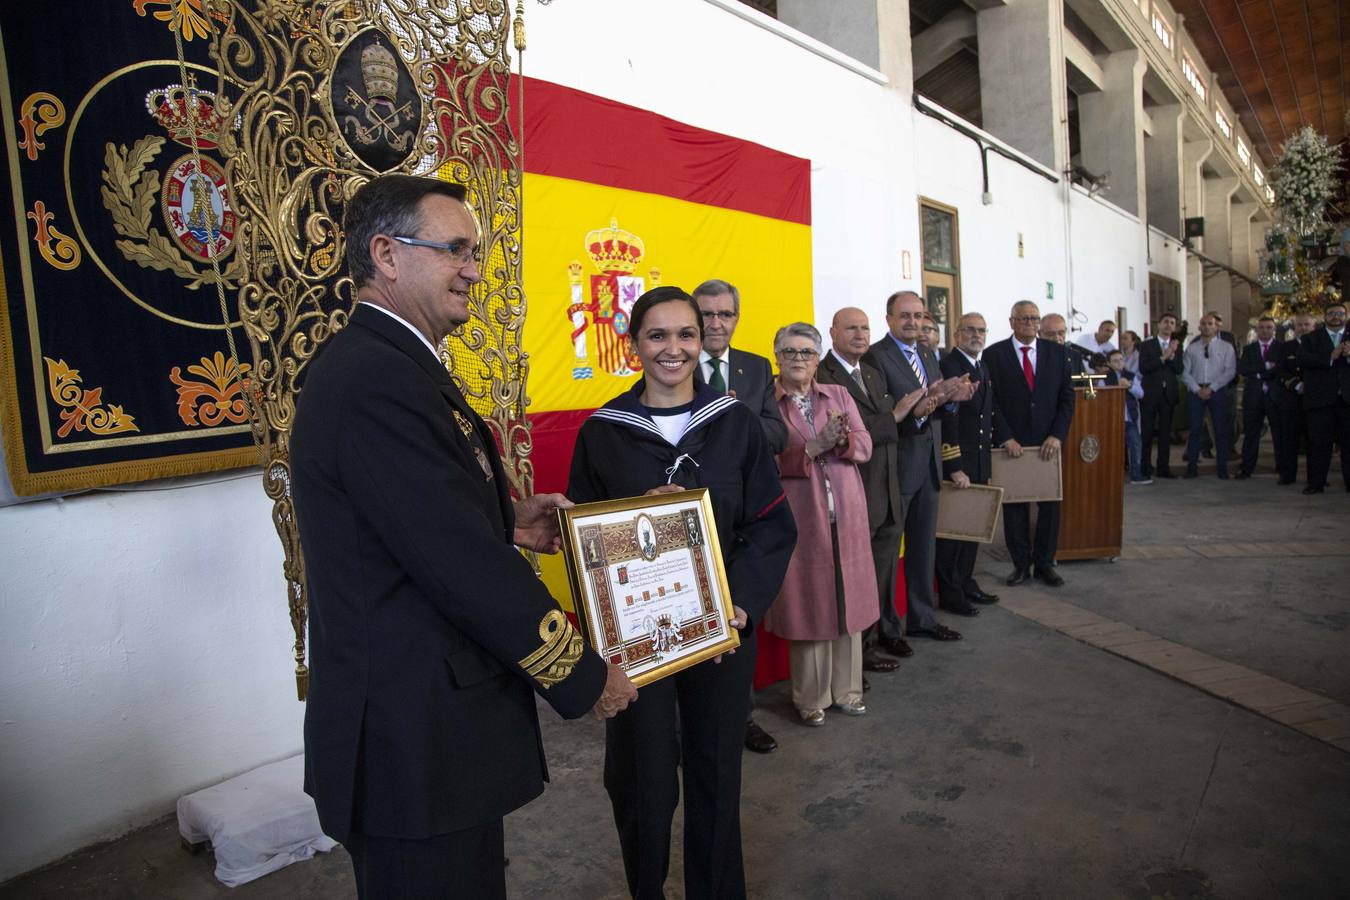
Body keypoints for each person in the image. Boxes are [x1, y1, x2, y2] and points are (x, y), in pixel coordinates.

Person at [289, 175, 636, 899]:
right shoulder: (374, 378)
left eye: (475, 251)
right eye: (455, 250)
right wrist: (580, 672)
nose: (475, 269)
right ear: (386, 254)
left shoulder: (391, 366)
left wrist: (503, 516)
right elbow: (460, 567)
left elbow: (411, 517)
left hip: (429, 733)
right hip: (409, 742)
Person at [568, 286, 797, 899]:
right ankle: (646, 889)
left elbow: (771, 525)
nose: (674, 349)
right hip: (639, 642)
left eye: (686, 335)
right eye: (658, 335)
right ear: (634, 344)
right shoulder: (603, 434)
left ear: (704, 341)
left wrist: (740, 601)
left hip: (721, 628)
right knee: (641, 775)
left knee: (717, 771)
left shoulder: (735, 426)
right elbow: (584, 543)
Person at [691, 277, 788, 755]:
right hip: (687, 517)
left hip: (743, 517)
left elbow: (779, 433)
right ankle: (684, 728)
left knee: (738, 618)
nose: (714, 323)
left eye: (723, 314)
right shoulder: (675, 363)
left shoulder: (755, 367)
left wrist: (737, 423)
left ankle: (740, 718)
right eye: (705, 314)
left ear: (736, 318)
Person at [764, 322, 879, 725]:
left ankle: (848, 690)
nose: (798, 360)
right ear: (777, 358)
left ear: (818, 359)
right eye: (790, 352)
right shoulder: (767, 404)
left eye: (806, 353)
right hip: (801, 517)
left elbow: (864, 443)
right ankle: (810, 699)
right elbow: (762, 463)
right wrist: (812, 448)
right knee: (809, 604)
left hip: (845, 513)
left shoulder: (840, 394)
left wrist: (842, 441)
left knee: (850, 600)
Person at [817, 308, 926, 670]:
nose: (860, 334)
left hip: (887, 491)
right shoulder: (823, 375)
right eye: (851, 328)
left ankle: (876, 641)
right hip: (854, 494)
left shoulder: (872, 373)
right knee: (854, 582)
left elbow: (887, 432)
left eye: (864, 328)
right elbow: (850, 434)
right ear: (832, 333)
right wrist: (894, 416)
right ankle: (854, 660)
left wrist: (917, 411)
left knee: (879, 577)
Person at [864, 291, 968, 642]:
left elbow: (933, 403)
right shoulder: (875, 357)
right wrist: (920, 412)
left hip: (929, 465)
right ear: (889, 318)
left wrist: (950, 400)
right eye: (904, 315)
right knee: (890, 552)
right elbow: (885, 414)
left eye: (918, 315)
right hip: (897, 464)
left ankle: (922, 618)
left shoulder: (927, 352)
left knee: (924, 546)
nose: (913, 322)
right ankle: (887, 630)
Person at [986, 301, 1076, 587]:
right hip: (1012, 443)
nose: (1029, 323)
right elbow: (991, 403)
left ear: (1039, 323)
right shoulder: (994, 355)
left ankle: (1046, 564)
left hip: (1047, 443)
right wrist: (1004, 436)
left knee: (1050, 505)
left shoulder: (1058, 354)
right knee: (1015, 507)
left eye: (1034, 318)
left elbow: (1067, 399)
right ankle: (1021, 565)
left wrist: (1057, 435)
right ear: (1011, 321)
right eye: (1023, 318)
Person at [935, 313, 1002, 615]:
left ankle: (966, 581)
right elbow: (949, 419)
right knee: (953, 533)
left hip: (979, 459)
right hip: (960, 460)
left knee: (972, 526)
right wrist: (954, 465)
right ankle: (950, 592)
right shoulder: (950, 366)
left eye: (982, 330)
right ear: (957, 334)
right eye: (971, 330)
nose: (977, 335)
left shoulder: (981, 365)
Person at [1297, 301, 1350, 494]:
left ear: (1345, 317)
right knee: (1319, 444)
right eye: (1331, 313)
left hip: (1346, 400)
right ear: (1324, 317)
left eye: (1340, 314)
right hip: (1320, 400)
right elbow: (1302, 359)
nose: (1336, 317)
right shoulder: (1311, 338)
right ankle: (1316, 483)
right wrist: (1330, 356)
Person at [1181, 314, 1237, 479]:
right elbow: (1185, 372)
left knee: (1220, 430)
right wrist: (1197, 389)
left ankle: (1222, 468)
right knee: (1195, 430)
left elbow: (1230, 371)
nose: (1206, 327)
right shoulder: (1192, 348)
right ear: (1199, 327)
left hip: (1217, 391)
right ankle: (1191, 467)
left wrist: (1212, 388)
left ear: (1216, 327)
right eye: (1203, 324)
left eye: (1210, 324)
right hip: (1196, 391)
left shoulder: (1226, 347)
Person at [1236, 316, 1289, 480]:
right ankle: (1246, 468)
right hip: (1254, 397)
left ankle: (1282, 468)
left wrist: (1258, 373)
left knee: (1279, 434)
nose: (1265, 330)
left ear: (1274, 330)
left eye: (1268, 327)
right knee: (1251, 434)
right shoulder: (1249, 349)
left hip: (1275, 396)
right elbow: (1243, 369)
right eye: (1262, 327)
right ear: (1257, 330)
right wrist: (1265, 367)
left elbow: (1281, 369)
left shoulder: (1282, 348)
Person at [1139, 313, 1184, 480]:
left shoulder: (1177, 346)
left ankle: (1163, 467)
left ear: (1175, 327)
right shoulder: (1147, 345)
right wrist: (1163, 357)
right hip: (1151, 393)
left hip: (1168, 394)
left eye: (1172, 323)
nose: (1168, 325)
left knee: (1166, 433)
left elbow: (1179, 369)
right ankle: (1144, 466)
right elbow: (1144, 368)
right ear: (1159, 325)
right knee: (1147, 432)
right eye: (1165, 322)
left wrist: (1172, 355)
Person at [1276, 313, 1318, 485]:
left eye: (1307, 325)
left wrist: (1311, 386)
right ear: (1295, 327)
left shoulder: (1320, 346)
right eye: (1300, 325)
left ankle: (1316, 477)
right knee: (1289, 439)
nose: (1303, 328)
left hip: (1314, 400)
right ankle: (1287, 475)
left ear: (1313, 327)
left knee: (1315, 441)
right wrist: (1297, 385)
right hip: (1291, 399)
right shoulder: (1286, 347)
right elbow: (1281, 370)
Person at [1104, 349, 1147, 484]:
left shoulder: (1131, 375)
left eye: (1121, 360)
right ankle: (1112, 476)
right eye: (1115, 361)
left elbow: (1141, 394)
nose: (1119, 363)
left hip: (1129, 418)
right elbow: (1095, 396)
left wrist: (1129, 386)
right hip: (1112, 418)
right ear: (1109, 363)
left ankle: (1136, 474)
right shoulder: (1103, 377)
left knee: (1135, 445)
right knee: (1112, 448)